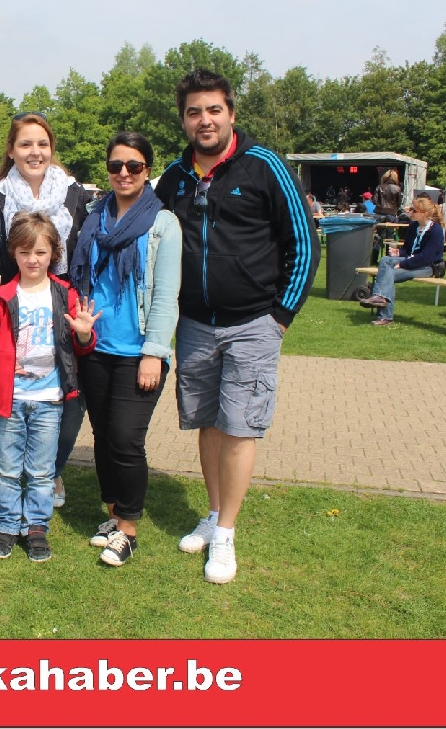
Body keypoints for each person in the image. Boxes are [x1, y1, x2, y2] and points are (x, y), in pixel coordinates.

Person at [155, 69, 320, 585]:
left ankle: (226, 532)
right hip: (195, 324)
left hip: (254, 322)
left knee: (240, 424)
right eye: (194, 112)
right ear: (183, 119)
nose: (204, 120)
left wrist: (281, 316)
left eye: (213, 110)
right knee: (207, 423)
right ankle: (212, 512)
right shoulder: (174, 177)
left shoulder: (265, 166)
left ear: (231, 112)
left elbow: (304, 244)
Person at [71, 131, 182, 567]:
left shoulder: (163, 223)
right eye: (116, 165)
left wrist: (154, 352)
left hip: (138, 351)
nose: (123, 173)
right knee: (102, 435)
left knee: (125, 438)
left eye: (133, 166)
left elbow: (166, 295)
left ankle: (129, 530)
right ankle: (114, 514)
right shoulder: (94, 217)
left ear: (147, 170)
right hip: (95, 346)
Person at [0, 112, 90, 511]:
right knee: (15, 396)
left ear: (51, 148)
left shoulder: (74, 194)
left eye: (42, 143)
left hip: (63, 304)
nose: (34, 152)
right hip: (16, 307)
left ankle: (50, 471)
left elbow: (88, 245)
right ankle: (14, 477)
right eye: (25, 144)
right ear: (11, 150)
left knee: (69, 399)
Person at [0, 212, 100, 562]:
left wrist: (84, 333)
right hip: (9, 398)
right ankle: (7, 525)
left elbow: (81, 347)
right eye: (25, 252)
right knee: (6, 468)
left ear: (53, 253)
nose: (32, 260)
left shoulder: (64, 294)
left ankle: (37, 527)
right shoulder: (2, 296)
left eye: (40, 252)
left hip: (49, 399)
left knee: (42, 471)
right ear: (13, 252)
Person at [359, 196, 445, 325]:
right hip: (412, 261)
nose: (410, 212)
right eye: (411, 209)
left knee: (388, 274)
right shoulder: (414, 226)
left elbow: (426, 257)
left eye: (414, 210)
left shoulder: (436, 230)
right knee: (386, 260)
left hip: (428, 267)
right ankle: (380, 300)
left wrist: (402, 264)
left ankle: (384, 314)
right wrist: (398, 253)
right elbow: (407, 249)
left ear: (425, 214)